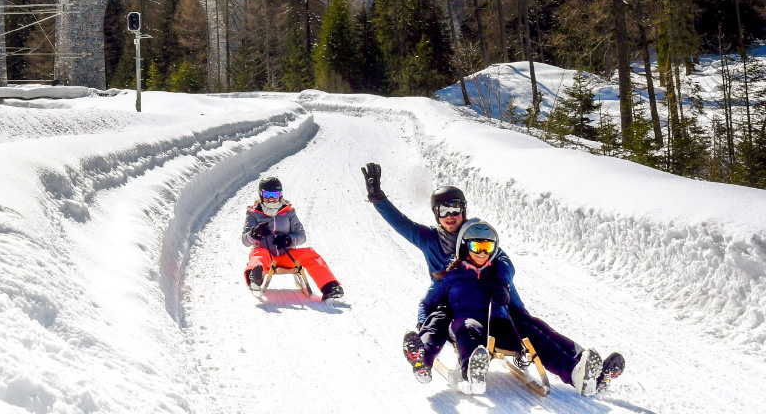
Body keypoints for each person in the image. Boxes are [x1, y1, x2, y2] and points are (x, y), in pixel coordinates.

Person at [417, 218, 624, 396]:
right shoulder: (450, 276)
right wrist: (422, 324)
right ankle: (472, 371)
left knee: (532, 334)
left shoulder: (497, 271)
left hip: (498, 323)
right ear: (464, 247)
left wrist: (503, 289)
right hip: (466, 322)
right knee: (469, 327)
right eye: (476, 247)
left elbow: (507, 266)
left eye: (487, 248)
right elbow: (427, 303)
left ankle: (574, 373)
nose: (482, 252)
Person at [360, 164, 525, 381]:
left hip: (486, 297)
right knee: (437, 319)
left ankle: (535, 346)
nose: (450, 216)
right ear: (436, 214)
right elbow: (401, 223)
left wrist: (502, 283)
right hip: (449, 300)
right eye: (443, 210)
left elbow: (503, 260)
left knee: (520, 318)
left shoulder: (476, 236)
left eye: (455, 209)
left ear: (463, 211)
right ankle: (422, 359)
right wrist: (378, 198)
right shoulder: (429, 238)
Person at [242, 177, 344, 301]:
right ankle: (255, 278)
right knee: (259, 256)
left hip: (287, 256)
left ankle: (330, 287)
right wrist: (255, 233)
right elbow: (245, 241)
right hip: (265, 255)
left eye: (275, 194)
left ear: (280, 195)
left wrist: (288, 240)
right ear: (261, 194)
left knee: (310, 254)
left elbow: (301, 236)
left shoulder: (288, 212)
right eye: (267, 194)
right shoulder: (253, 213)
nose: (271, 198)